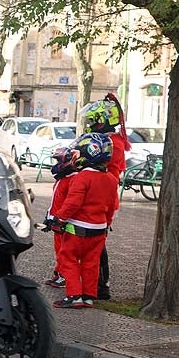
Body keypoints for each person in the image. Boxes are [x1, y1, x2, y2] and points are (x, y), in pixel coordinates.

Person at [50, 132, 119, 308]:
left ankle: (74, 296)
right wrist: (107, 223)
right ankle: (89, 296)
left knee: (67, 258)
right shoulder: (111, 179)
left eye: (79, 153)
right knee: (91, 263)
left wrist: (59, 218)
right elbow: (112, 206)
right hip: (99, 229)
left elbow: (73, 203)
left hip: (78, 229)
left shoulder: (82, 177)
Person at [77, 94, 130, 300]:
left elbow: (97, 165)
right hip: (96, 195)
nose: (90, 124)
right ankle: (89, 281)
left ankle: (101, 285)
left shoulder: (111, 143)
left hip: (101, 197)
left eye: (93, 120)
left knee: (96, 243)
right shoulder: (108, 139)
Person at [43, 145, 80, 288]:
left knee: (65, 251)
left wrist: (60, 219)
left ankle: (65, 277)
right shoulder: (62, 178)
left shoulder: (73, 179)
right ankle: (59, 273)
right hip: (57, 219)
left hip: (65, 222)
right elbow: (55, 201)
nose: (57, 166)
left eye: (59, 162)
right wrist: (49, 217)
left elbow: (70, 204)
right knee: (59, 250)